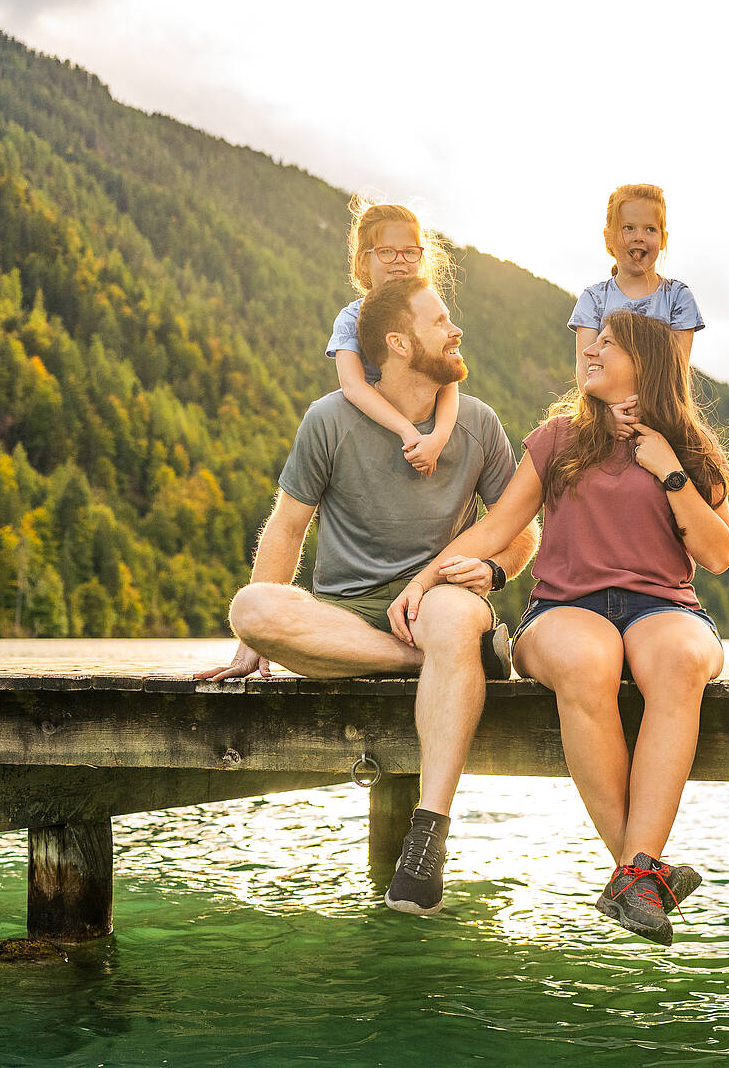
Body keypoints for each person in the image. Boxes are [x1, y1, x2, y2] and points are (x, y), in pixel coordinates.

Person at [390, 311, 729, 945]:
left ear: (647, 363)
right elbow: (496, 529)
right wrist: (422, 582)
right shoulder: (558, 438)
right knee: (587, 660)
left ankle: (633, 878)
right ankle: (640, 876)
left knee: (681, 663)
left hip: (664, 606)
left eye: (608, 343)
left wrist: (667, 467)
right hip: (563, 608)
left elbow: (716, 555)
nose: (592, 349)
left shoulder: (686, 444)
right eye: (593, 339)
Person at [198, 274, 539, 916]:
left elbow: (519, 532)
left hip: (439, 595)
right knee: (252, 609)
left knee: (449, 616)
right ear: (399, 344)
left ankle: (427, 836)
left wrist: (493, 573)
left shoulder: (478, 422)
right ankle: (453, 660)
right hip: (346, 610)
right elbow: (288, 527)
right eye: (439, 321)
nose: (455, 329)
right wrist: (253, 645)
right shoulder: (329, 420)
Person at [329, 199, 459, 476]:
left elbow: (448, 380)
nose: (399, 259)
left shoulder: (430, 314)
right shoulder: (351, 319)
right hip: (375, 430)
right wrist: (405, 430)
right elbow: (352, 385)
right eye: (387, 251)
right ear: (364, 260)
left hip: (426, 429)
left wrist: (438, 438)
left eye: (410, 251)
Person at [568, 184, 704, 375]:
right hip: (604, 405)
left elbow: (676, 373)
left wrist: (643, 403)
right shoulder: (593, 300)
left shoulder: (678, 298)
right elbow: (586, 372)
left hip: (661, 405)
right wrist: (615, 406)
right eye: (628, 228)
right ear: (609, 237)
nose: (639, 237)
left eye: (650, 229)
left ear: (663, 239)